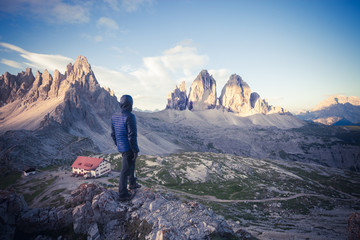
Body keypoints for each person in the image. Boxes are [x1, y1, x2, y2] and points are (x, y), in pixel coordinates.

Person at [111, 95, 141, 201]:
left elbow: (113, 134)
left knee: (131, 163)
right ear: (130, 105)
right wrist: (135, 150)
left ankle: (132, 183)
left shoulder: (114, 116)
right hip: (128, 147)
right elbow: (131, 135)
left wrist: (118, 144)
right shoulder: (130, 116)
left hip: (121, 146)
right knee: (125, 170)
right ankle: (122, 193)